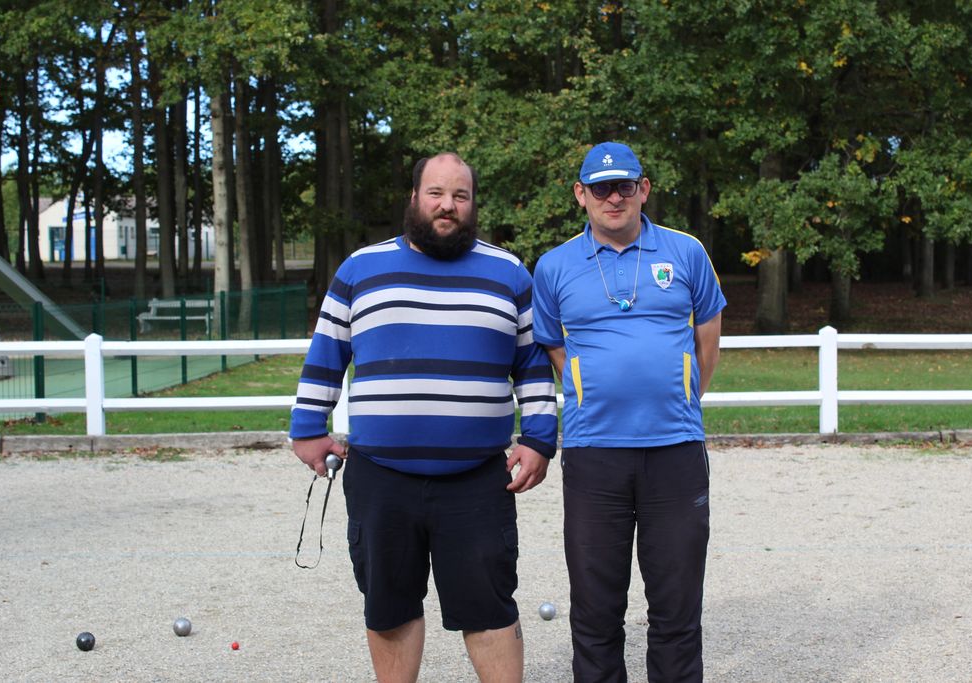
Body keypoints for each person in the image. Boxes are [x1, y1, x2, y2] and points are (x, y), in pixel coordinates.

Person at [291, 152, 558, 683]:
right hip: (380, 476)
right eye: (436, 193)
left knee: (490, 606)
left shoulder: (508, 273)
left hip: (478, 479)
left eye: (460, 196)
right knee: (389, 607)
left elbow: (531, 364)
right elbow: (327, 351)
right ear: (414, 198)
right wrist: (308, 428)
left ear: (473, 204)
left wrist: (539, 438)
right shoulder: (360, 269)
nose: (447, 205)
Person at [532, 142, 726, 683]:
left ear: (644, 189)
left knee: (676, 608)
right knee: (595, 610)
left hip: (675, 450)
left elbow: (708, 338)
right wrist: (592, 387)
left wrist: (680, 395)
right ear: (581, 194)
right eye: (601, 188)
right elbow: (553, 346)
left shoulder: (686, 252)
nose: (613, 198)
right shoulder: (553, 266)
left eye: (624, 186)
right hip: (594, 454)